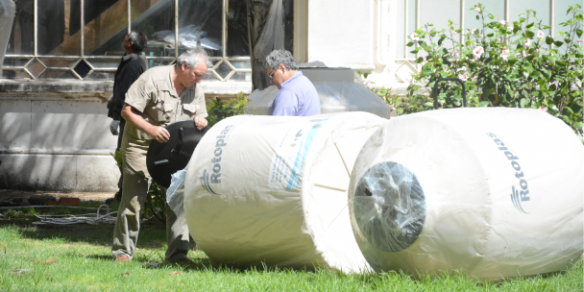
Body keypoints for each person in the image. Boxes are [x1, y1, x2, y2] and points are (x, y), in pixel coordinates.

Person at [112, 47, 210, 265]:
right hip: (140, 145)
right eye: (197, 75)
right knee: (134, 198)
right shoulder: (152, 79)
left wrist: (202, 122)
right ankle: (123, 253)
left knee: (177, 199)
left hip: (173, 151)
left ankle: (178, 256)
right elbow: (127, 111)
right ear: (184, 66)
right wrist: (151, 130)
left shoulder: (195, 87)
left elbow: (201, 117)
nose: (199, 81)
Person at [107, 31, 148, 203]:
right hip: (131, 116)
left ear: (130, 43)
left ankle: (125, 193)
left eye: (125, 38)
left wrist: (117, 117)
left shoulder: (133, 63)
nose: (123, 40)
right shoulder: (133, 60)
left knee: (124, 154)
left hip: (129, 117)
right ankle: (125, 192)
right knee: (124, 154)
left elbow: (125, 93)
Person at [264, 50, 321, 116]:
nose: (271, 81)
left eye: (271, 75)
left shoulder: (288, 92)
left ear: (282, 68)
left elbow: (278, 124)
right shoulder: (305, 82)